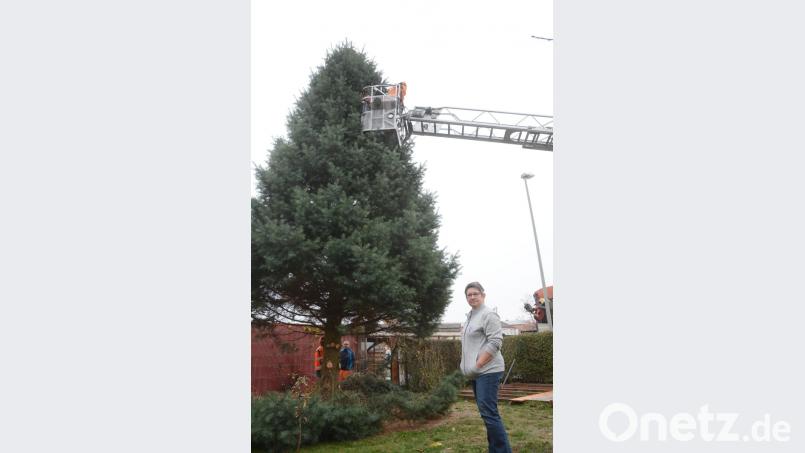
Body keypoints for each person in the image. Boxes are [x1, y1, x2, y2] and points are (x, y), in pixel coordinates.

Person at [460, 281, 512, 453]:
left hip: (488, 371)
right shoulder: (470, 317)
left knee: (489, 414)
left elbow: (496, 342)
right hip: (476, 373)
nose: (472, 297)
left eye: (475, 293)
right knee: (487, 413)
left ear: (483, 295)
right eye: (469, 294)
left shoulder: (488, 315)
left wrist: (478, 364)